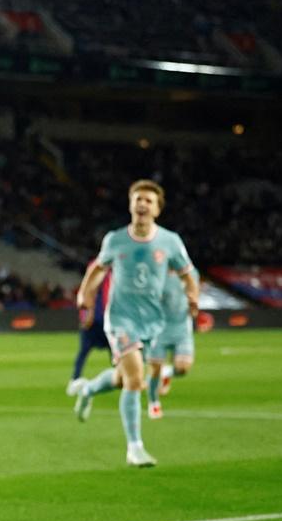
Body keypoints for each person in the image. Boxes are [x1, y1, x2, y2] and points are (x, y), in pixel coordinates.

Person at [68, 180, 199, 468]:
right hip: (121, 320)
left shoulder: (170, 242)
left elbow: (188, 273)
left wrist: (193, 296)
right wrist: (84, 294)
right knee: (137, 379)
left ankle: (89, 389)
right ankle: (135, 448)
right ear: (130, 204)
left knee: (122, 379)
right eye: (138, 199)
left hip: (153, 322)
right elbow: (98, 269)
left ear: (157, 210)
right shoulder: (115, 239)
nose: (142, 204)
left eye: (148, 201)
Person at [146, 268, 199, 417]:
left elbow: (194, 294)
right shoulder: (156, 274)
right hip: (159, 329)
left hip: (182, 329)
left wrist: (194, 304)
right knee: (154, 369)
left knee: (183, 368)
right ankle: (153, 403)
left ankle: (167, 372)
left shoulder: (192, 273)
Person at [66, 259, 110, 394]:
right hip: (98, 318)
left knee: (86, 351)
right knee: (85, 350)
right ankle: (74, 380)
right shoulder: (100, 269)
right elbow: (89, 292)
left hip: (106, 317)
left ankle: (74, 379)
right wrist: (87, 315)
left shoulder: (110, 271)